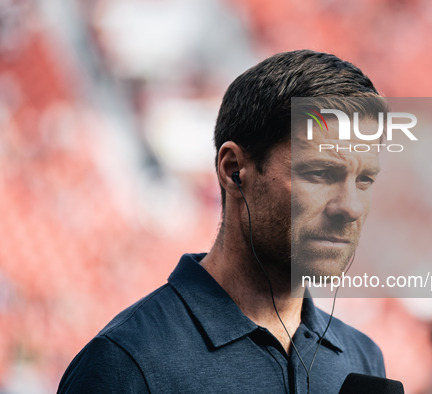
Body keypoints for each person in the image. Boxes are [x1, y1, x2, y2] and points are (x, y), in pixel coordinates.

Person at [58, 49, 388, 393]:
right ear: (234, 171)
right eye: (320, 174)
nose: (350, 207)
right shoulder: (126, 364)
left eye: (365, 180)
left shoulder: (363, 360)